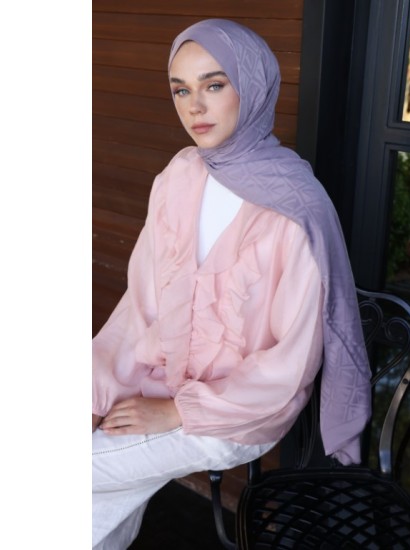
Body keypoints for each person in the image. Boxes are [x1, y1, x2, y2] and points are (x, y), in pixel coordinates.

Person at [92, 18, 371, 549]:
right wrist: (95, 388)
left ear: (253, 85)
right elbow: (139, 308)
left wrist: (177, 410)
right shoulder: (178, 176)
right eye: (181, 89)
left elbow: (289, 365)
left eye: (214, 85)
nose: (194, 106)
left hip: (239, 413)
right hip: (161, 376)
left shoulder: (295, 206)